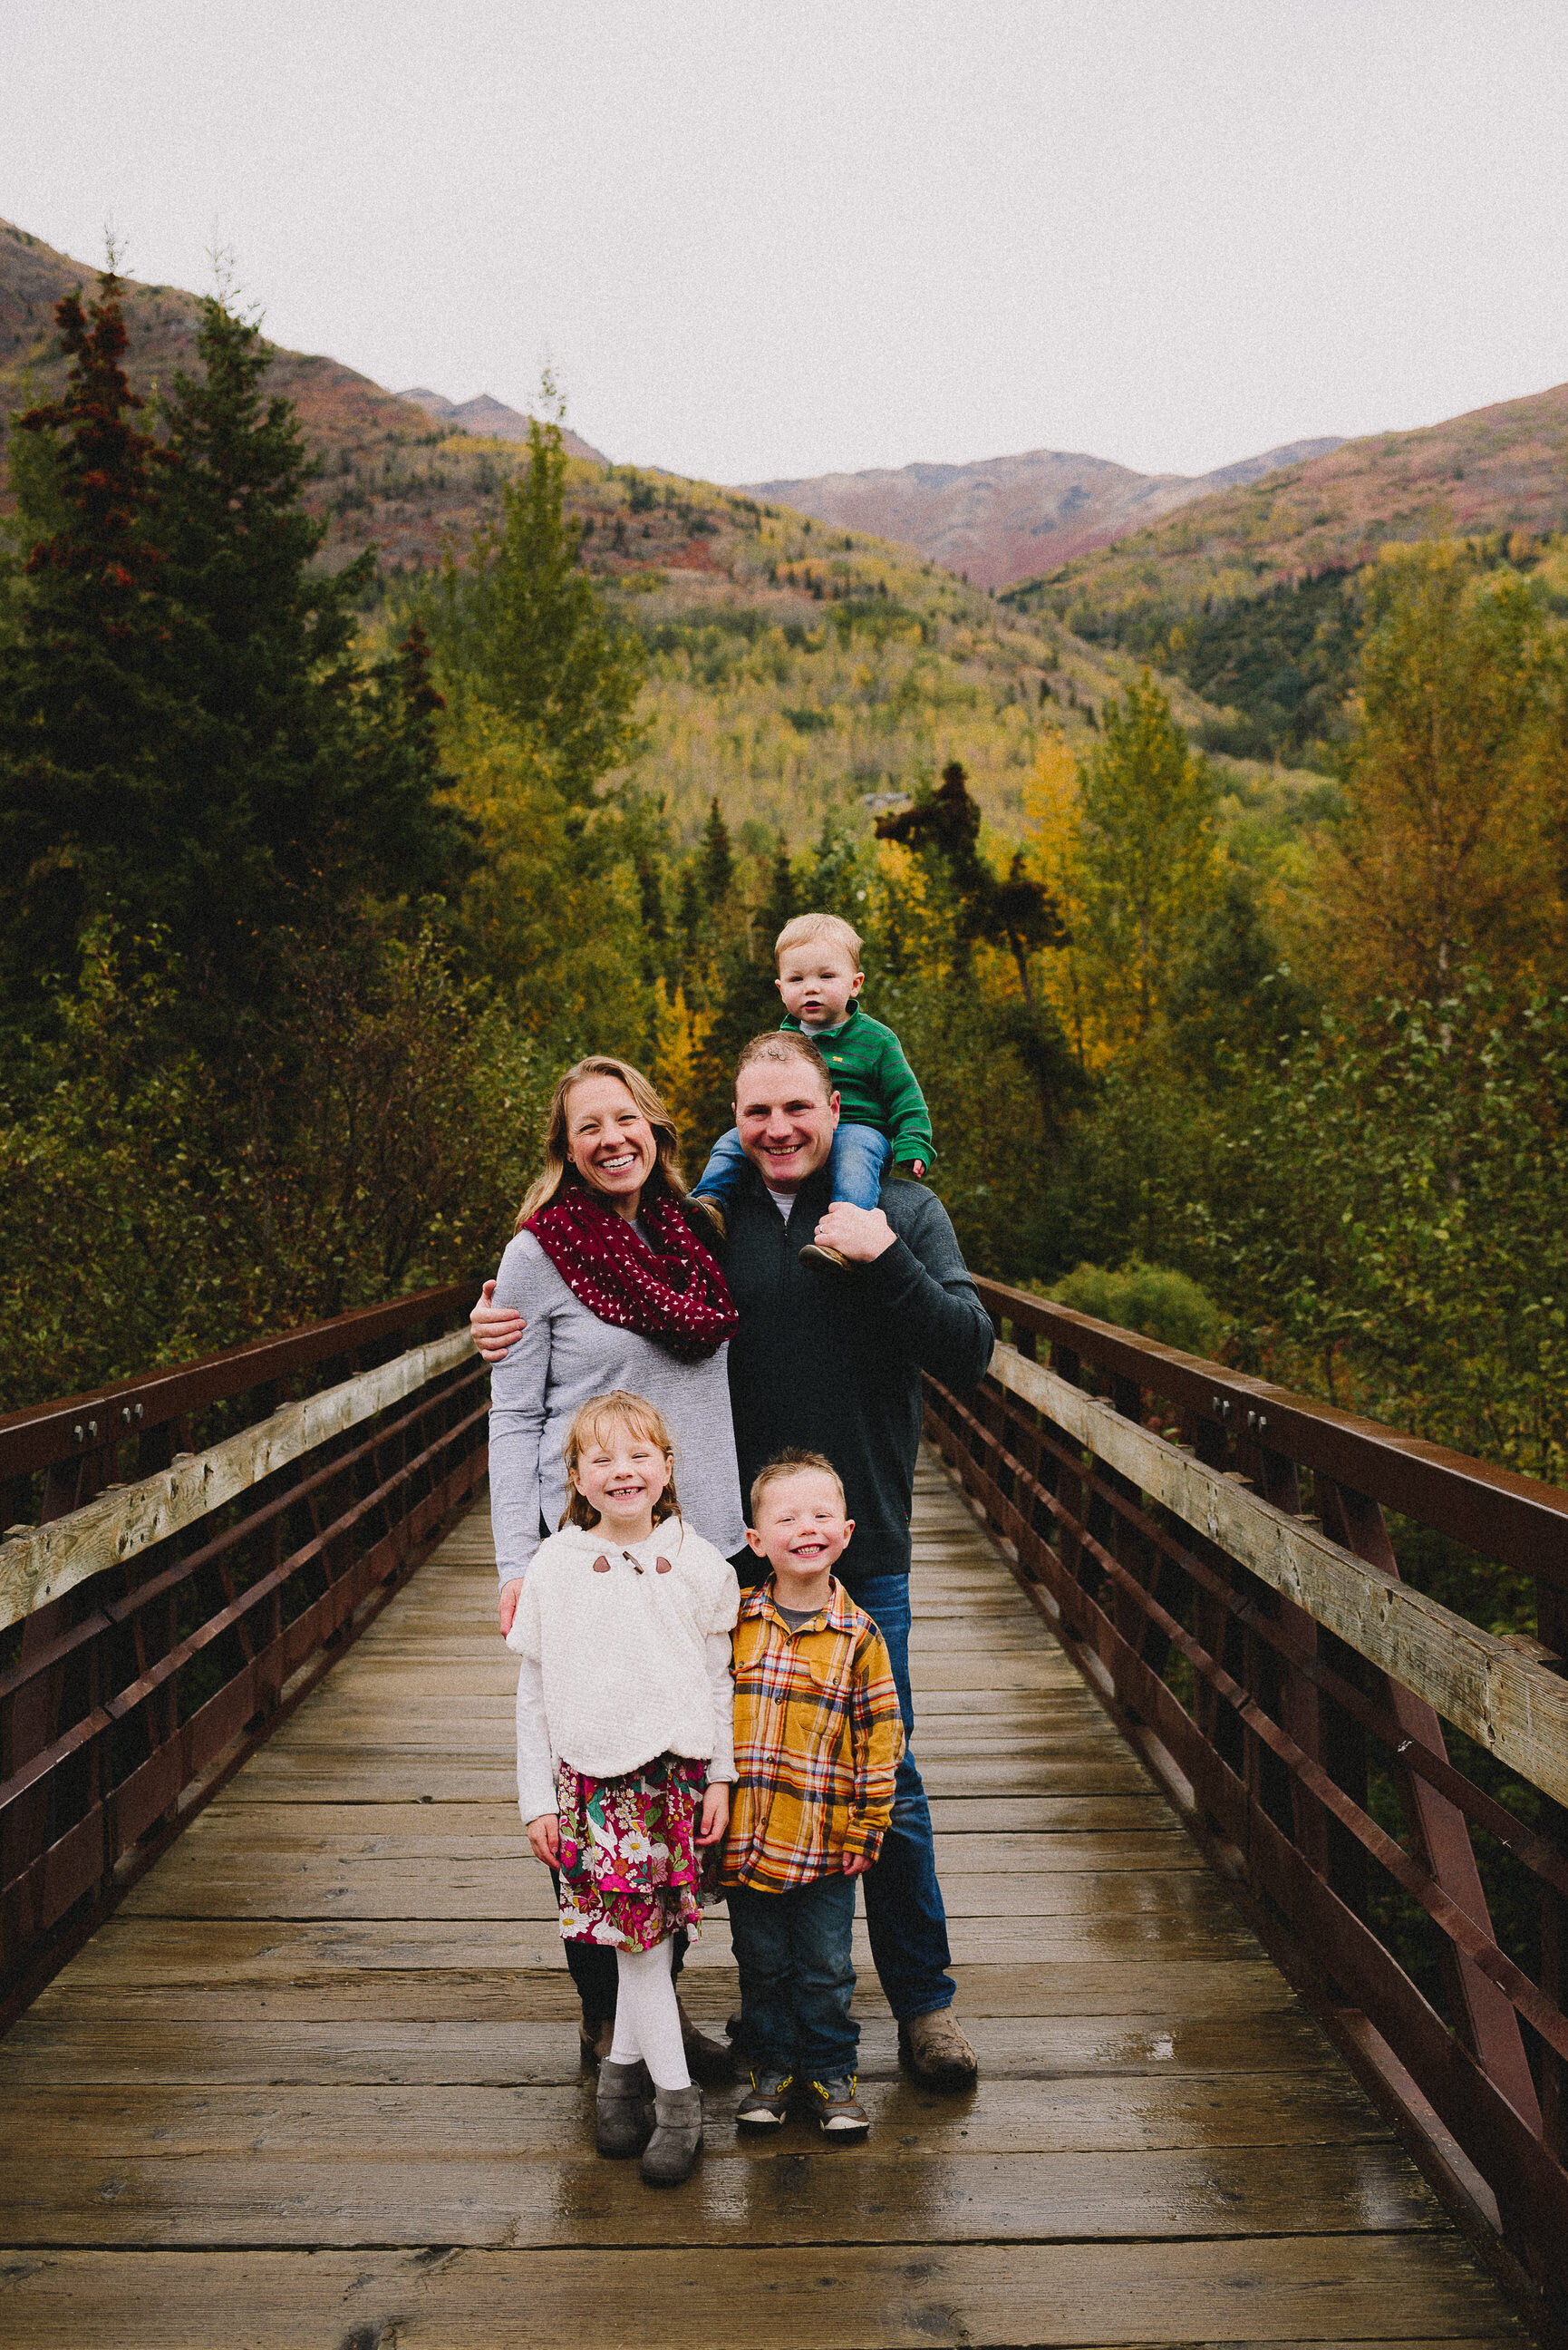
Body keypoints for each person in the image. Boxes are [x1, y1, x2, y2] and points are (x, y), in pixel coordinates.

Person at [475, 1027, 995, 2090]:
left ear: (834, 1109)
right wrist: (488, 1323)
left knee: (881, 1779)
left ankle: (922, 2005)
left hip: (858, 1549)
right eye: (756, 1112)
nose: (778, 1128)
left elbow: (970, 1347)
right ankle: (726, 2018)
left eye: (797, 1108)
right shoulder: (707, 1226)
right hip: (709, 1555)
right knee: (692, 1781)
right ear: (729, 1123)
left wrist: (886, 1260)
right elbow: (567, 1307)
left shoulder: (891, 1212)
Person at [487, 1054, 747, 2076]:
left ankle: (659, 2015)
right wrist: (517, 1561)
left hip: (701, 1550)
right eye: (587, 1126)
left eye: (625, 1119)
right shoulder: (537, 1255)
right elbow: (513, 1418)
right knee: (594, 1789)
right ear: (565, 1149)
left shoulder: (697, 1236)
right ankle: (607, 2025)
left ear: (655, 1129)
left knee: (673, 1792)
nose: (611, 1139)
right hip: (584, 1559)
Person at [508, 1388, 740, 2186]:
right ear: (575, 1477)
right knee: (637, 1941)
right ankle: (676, 2099)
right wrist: (535, 1797)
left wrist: (720, 1773)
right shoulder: (555, 1567)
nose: (622, 1471)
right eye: (600, 1459)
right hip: (593, 1782)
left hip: (673, 1778)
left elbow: (718, 1680)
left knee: (650, 1936)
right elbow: (533, 1692)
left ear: (668, 1468)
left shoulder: (700, 1563)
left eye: (639, 1455)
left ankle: (619, 2080)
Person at [725, 1451, 905, 2138]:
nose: (807, 1528)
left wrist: (870, 1827)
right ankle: (772, 2071)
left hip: (827, 1841)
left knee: (827, 1964)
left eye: (822, 1515)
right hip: (749, 1837)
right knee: (762, 1962)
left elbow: (881, 1739)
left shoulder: (860, 1636)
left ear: (849, 1532)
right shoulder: (737, 1624)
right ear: (756, 1541)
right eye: (788, 1517)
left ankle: (832, 2072)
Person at [689, 911, 934, 1271]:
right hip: (808, 1136)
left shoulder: (877, 1040)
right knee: (729, 1141)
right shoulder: (782, 1042)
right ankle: (710, 1204)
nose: (811, 988)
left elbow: (905, 1097)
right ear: (781, 989)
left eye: (826, 976)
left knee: (853, 1158)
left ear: (855, 983)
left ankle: (844, 1235)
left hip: (860, 1130)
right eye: (797, 979)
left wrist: (914, 1142)